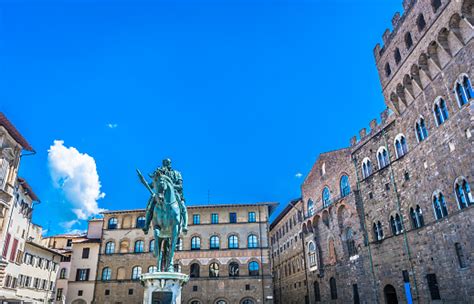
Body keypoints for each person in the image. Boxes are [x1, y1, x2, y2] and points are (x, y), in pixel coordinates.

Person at [143, 159, 188, 234]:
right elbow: (152, 185)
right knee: (150, 205)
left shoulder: (176, 173)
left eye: (167, 163)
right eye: (164, 163)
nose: (165, 164)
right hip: (160, 194)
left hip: (175, 193)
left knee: (182, 206)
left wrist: (170, 186)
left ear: (170, 163)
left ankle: (184, 225)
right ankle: (146, 225)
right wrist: (146, 183)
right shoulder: (160, 174)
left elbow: (180, 186)